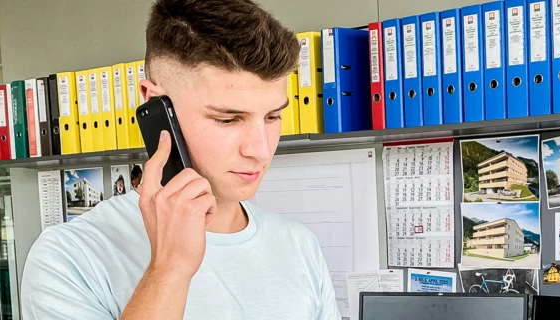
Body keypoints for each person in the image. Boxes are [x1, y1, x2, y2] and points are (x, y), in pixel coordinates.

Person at [19, 0, 338, 319]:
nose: (259, 149)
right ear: (156, 106)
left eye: (272, 116)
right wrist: (169, 269)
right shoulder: (68, 256)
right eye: (227, 119)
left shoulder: (299, 245)